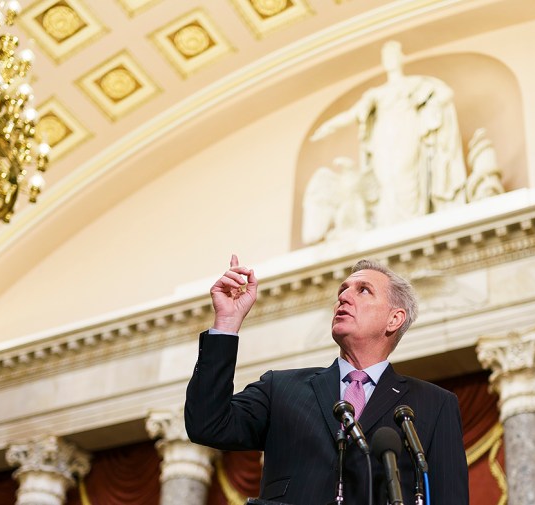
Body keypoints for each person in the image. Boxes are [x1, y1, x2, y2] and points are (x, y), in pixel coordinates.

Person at [185, 255, 468, 505]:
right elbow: (208, 424)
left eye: (363, 290)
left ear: (394, 319)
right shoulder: (280, 389)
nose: (344, 297)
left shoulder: (434, 404)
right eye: (342, 290)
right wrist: (226, 324)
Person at [309, 41, 468, 227]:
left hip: (407, 130)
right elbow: (352, 114)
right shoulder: (377, 94)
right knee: (386, 178)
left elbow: (446, 93)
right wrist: (329, 126)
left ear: (401, 58)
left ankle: (412, 218)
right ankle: (389, 223)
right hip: (383, 138)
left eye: (393, 55)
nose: (390, 60)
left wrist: (430, 107)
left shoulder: (414, 84)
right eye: (386, 57)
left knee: (405, 170)